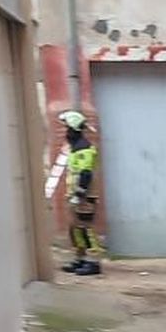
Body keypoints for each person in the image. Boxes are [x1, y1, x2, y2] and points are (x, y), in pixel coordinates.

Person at [59, 110, 104, 276]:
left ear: (74, 129)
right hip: (75, 196)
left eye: (67, 128)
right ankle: (81, 258)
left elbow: (86, 174)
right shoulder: (75, 149)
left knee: (86, 228)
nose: (66, 132)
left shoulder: (84, 149)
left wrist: (79, 194)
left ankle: (93, 261)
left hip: (85, 196)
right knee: (75, 228)